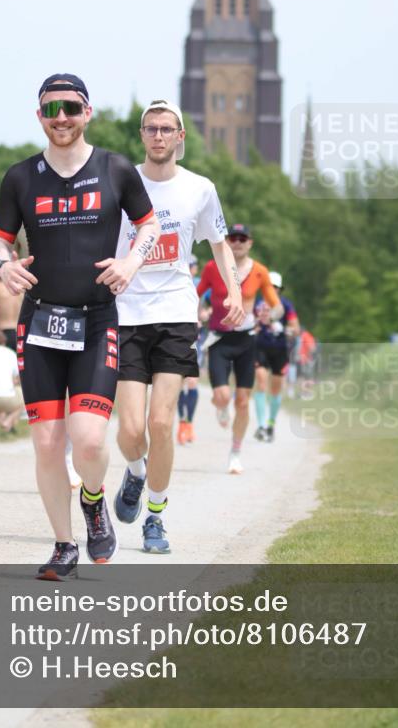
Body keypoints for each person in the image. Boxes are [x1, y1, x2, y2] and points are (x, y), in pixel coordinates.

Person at [0, 73, 159, 579]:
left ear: (88, 112)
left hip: (96, 320)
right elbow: (0, 240)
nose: (60, 117)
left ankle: (92, 499)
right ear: (39, 116)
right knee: (46, 443)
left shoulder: (116, 169)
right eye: (50, 108)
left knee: (87, 441)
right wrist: (3, 265)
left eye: (70, 107)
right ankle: (64, 545)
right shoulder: (20, 177)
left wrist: (130, 264)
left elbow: (149, 224)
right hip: (39, 321)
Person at [113, 99, 243, 553]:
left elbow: (220, 245)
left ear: (180, 136)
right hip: (127, 314)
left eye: (167, 129)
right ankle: (134, 472)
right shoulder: (120, 181)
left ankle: (155, 516)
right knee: (130, 431)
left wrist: (235, 292)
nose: (159, 137)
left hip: (174, 314)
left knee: (161, 422)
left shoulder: (200, 189)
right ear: (142, 134)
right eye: (151, 129)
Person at [197, 224, 281, 474]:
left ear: (250, 243)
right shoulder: (213, 267)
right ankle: (221, 407)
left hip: (246, 341)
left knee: (243, 402)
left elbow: (276, 306)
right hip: (220, 339)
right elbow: (197, 292)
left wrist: (271, 316)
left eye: (242, 239)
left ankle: (235, 452)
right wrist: (198, 311)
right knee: (222, 396)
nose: (237, 242)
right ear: (227, 241)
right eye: (232, 238)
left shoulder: (260, 272)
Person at [253, 271, 299, 442]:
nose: (271, 290)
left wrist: (285, 329)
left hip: (280, 350)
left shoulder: (286, 306)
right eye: (268, 286)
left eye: (275, 287)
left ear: (280, 289)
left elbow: (296, 329)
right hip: (260, 347)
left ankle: (271, 424)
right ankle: (261, 426)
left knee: (275, 388)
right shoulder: (257, 303)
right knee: (261, 381)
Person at [177, 255, 207, 445]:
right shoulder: (175, 280)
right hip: (178, 333)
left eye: (192, 265)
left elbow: (207, 307)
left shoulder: (200, 285)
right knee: (179, 381)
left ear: (196, 268)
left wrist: (204, 314)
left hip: (197, 334)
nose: (189, 268)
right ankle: (181, 423)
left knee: (193, 382)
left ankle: (189, 424)